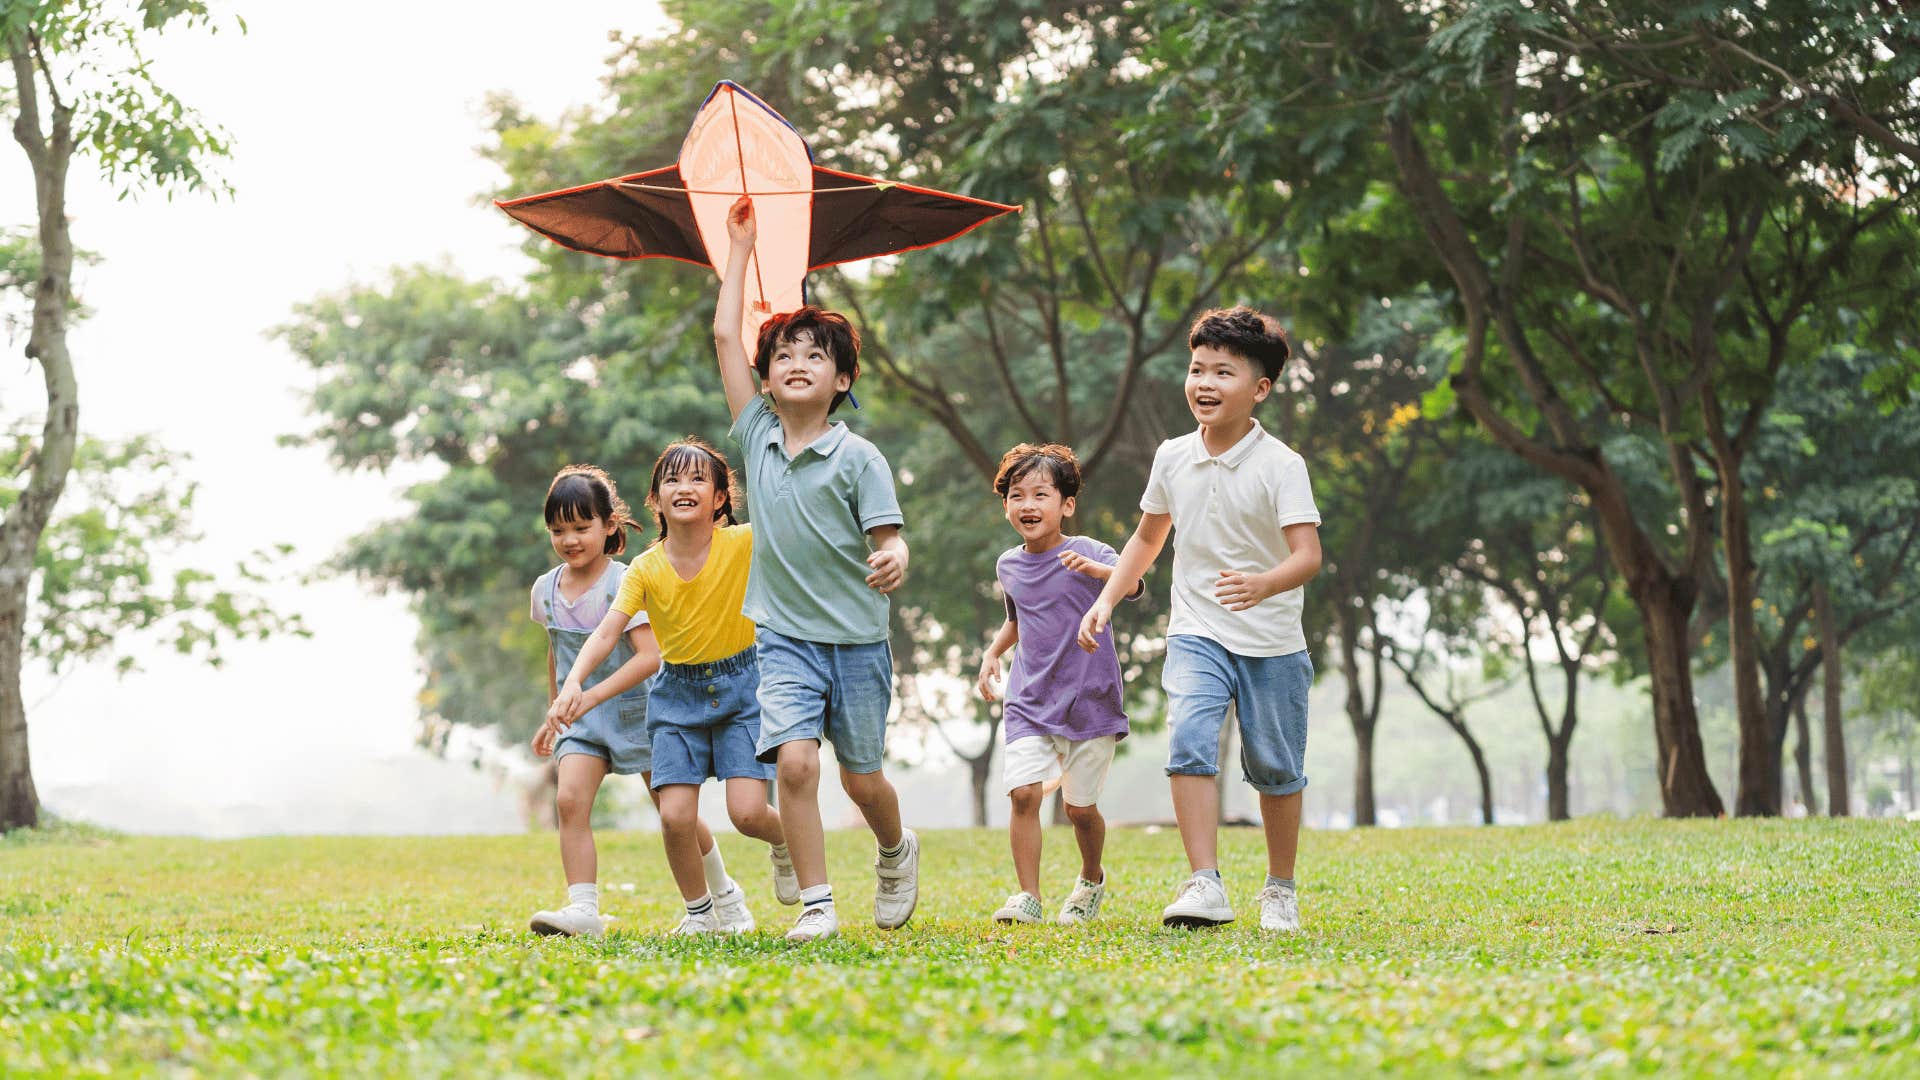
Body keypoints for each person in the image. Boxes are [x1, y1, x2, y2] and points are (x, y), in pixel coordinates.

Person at [709, 195, 918, 943]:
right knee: (794, 766)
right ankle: (820, 904)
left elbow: (891, 540)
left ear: (842, 380)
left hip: (858, 641)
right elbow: (726, 338)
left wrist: (892, 560)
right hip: (786, 638)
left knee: (862, 779)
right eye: (784, 356)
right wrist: (740, 249)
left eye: (816, 356)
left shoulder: (860, 458)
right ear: (767, 381)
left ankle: (895, 850)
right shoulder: (757, 437)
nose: (796, 364)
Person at [1077, 307, 1322, 932]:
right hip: (1197, 629)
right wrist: (1107, 599)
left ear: (1260, 388)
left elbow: (1308, 556)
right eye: (1196, 369)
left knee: (1276, 767)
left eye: (1223, 372)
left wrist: (1265, 583)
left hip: (1271, 641)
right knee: (1189, 739)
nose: (1204, 383)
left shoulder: (1282, 465)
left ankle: (1280, 889)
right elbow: (1146, 539)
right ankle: (1205, 882)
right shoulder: (1172, 457)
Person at [548, 440, 798, 935]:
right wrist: (574, 681)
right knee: (675, 817)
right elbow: (605, 631)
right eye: (672, 481)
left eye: (697, 480)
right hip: (676, 697)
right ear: (655, 501)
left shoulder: (744, 542)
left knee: (748, 813)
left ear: (722, 498)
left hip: (741, 689)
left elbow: (789, 512)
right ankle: (701, 914)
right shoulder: (644, 568)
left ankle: (787, 843)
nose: (684, 488)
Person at [527, 464, 746, 937]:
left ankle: (724, 894)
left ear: (610, 525)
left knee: (674, 816)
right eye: (558, 530)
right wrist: (555, 709)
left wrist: (588, 695)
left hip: (642, 711)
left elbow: (650, 657)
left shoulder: (628, 581)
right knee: (569, 800)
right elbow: (557, 654)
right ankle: (583, 908)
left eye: (582, 527)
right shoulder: (544, 590)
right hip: (581, 720)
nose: (570, 540)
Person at [976, 443, 1140, 926]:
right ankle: (1029, 895)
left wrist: (1100, 573)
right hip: (1029, 699)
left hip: (1090, 701)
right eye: (1016, 495)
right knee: (1024, 794)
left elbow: (1132, 584)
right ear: (1005, 505)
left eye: (1040, 494)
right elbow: (1018, 619)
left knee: (1079, 809)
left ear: (1066, 504)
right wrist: (992, 652)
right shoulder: (1008, 565)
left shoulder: (1091, 552)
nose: (1027, 505)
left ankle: (1091, 879)